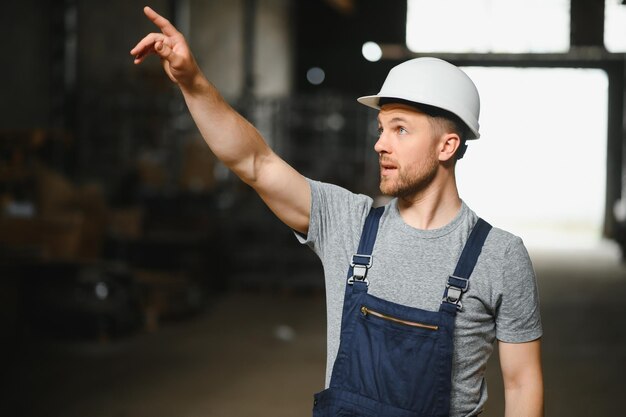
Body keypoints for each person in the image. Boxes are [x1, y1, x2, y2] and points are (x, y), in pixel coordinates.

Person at [131, 6, 543, 417]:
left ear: (447, 146)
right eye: (381, 129)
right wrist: (193, 81)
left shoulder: (500, 258)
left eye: (400, 129)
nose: (380, 144)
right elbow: (255, 162)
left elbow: (522, 385)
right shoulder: (348, 223)